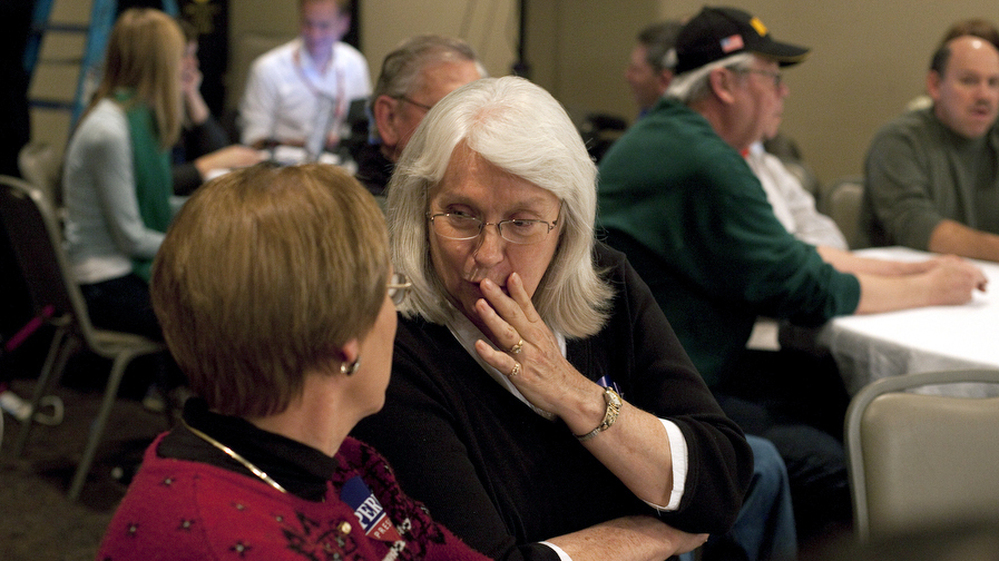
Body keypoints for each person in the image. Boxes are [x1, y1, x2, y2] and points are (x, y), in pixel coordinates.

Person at [597, 5, 987, 545]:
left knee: (835, 385)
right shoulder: (703, 161)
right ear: (724, 84)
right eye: (772, 79)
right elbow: (804, 287)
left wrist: (920, 268)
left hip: (682, 363)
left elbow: (794, 255)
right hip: (665, 394)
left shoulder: (677, 139)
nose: (783, 94)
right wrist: (930, 287)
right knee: (865, 467)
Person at [352, 75, 753, 561]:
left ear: (566, 223)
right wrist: (655, 537)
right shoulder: (394, 343)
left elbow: (723, 480)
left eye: (522, 223)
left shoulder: (607, 280)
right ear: (420, 210)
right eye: (460, 214)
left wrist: (572, 393)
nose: (486, 254)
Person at [97, 163, 491, 561]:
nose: (396, 318)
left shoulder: (341, 463)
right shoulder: (221, 540)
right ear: (344, 346)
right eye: (390, 292)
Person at [62, 7, 186, 341]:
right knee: (212, 318)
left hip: (117, 273)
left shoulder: (131, 118)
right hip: (104, 284)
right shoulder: (110, 132)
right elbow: (131, 237)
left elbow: (150, 204)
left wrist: (204, 210)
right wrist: (198, 246)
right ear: (159, 66)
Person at [863, 22, 999, 262]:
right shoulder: (899, 140)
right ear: (935, 85)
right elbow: (916, 227)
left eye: (993, 83)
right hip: (910, 287)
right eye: (969, 81)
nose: (984, 95)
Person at [354, 34, 484, 196]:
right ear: (389, 119)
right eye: (445, 114)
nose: (467, 132)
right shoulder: (362, 214)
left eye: (475, 114)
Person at [239, 0, 371, 152]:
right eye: (308, 24)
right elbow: (254, 140)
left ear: (344, 23)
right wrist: (309, 143)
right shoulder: (267, 69)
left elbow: (362, 127)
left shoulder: (354, 64)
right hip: (285, 167)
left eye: (324, 26)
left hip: (341, 164)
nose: (315, 35)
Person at [172, 19, 263, 196]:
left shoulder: (179, 102)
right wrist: (208, 164)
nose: (194, 64)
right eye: (185, 55)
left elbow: (217, 148)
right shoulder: (144, 110)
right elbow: (158, 182)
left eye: (194, 55)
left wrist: (192, 94)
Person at [625, 20, 684, 117]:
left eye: (636, 70)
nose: (627, 76)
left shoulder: (672, 129)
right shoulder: (648, 113)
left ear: (665, 80)